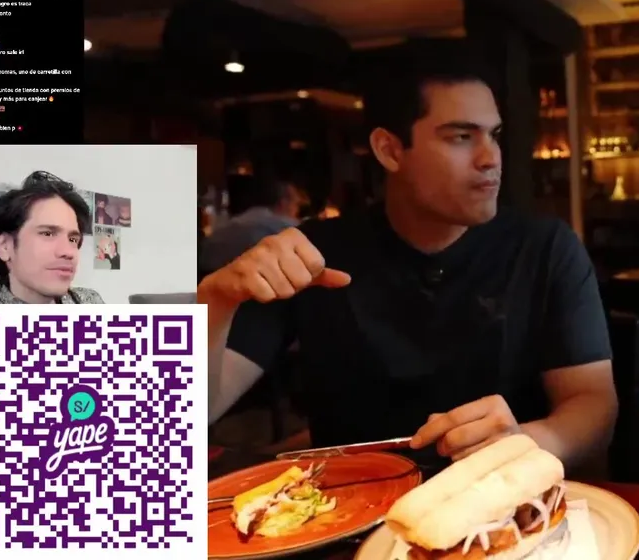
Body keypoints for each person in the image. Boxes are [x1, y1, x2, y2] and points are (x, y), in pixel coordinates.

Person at [198, 50, 617, 474]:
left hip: (502, 495)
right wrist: (215, 299)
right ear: (390, 150)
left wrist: (525, 444)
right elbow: (179, 417)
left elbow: (593, 404)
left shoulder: (544, 248)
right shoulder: (314, 253)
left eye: (493, 135)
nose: (491, 158)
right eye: (461, 137)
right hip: (347, 500)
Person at [0, 172, 104, 304]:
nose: (68, 252)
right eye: (47, 234)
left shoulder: (90, 302)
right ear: (4, 246)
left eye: (72, 239)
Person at [199, 174, 308, 275]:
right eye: (297, 204)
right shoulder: (286, 228)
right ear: (283, 203)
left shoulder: (230, 226)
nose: (297, 211)